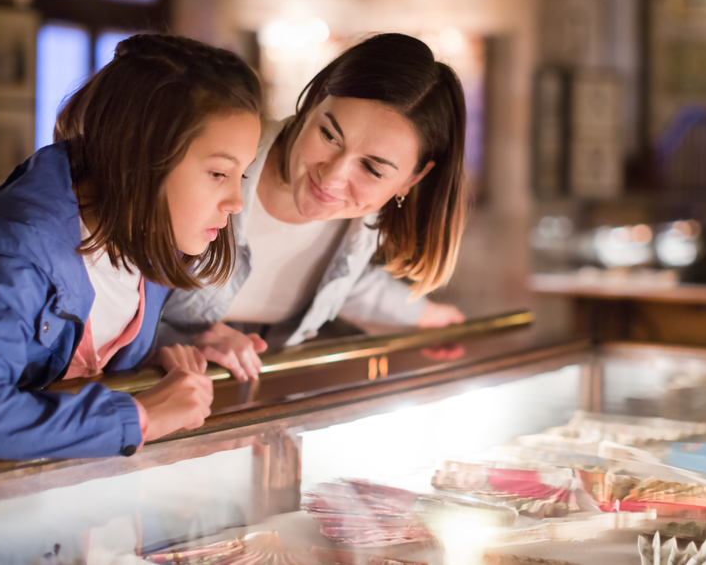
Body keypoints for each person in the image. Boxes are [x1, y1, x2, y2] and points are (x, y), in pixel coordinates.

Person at [0, 35, 262, 476]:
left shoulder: (156, 243)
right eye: (219, 172)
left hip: (34, 504)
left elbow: (83, 347)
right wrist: (140, 417)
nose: (236, 200)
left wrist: (151, 358)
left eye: (241, 172)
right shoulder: (20, 246)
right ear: (138, 157)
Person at [155, 33, 470, 383]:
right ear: (315, 103)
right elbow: (112, 287)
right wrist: (183, 340)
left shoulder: (362, 224)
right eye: (330, 136)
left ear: (413, 179)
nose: (332, 177)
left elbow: (343, 283)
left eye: (372, 169)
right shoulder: (215, 161)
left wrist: (422, 315)